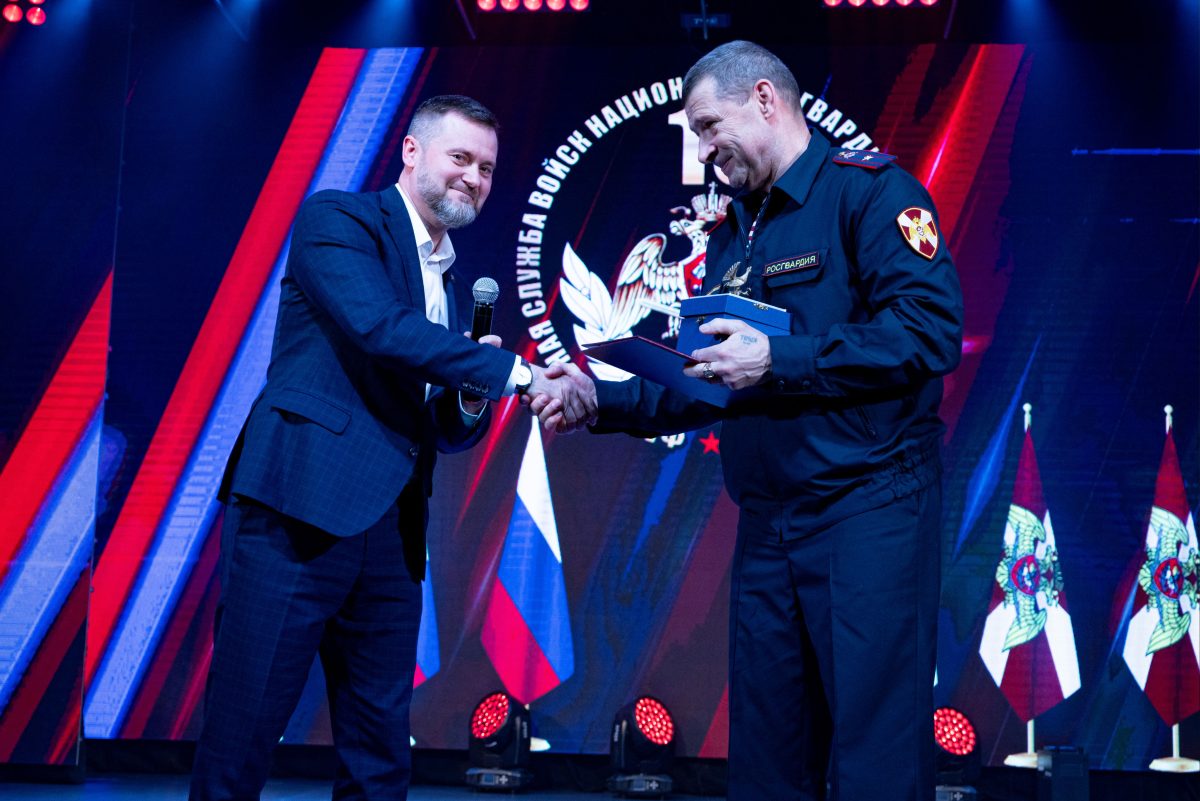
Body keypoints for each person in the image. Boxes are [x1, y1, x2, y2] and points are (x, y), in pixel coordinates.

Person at [533, 42, 963, 801]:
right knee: (767, 756)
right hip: (769, 523)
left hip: (870, 511)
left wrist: (780, 357)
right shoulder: (737, 228)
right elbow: (708, 383)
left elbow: (929, 332)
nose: (702, 151)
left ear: (765, 98)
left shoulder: (870, 194)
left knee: (877, 756)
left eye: (708, 126)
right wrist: (602, 402)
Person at [189, 95, 593, 801]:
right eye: (460, 158)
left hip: (392, 531)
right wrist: (520, 373)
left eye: (487, 168)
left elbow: (442, 428)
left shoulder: (451, 283)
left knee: (379, 753)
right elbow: (378, 328)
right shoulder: (339, 220)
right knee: (242, 735)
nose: (474, 178)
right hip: (297, 511)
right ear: (411, 152)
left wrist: (470, 394)